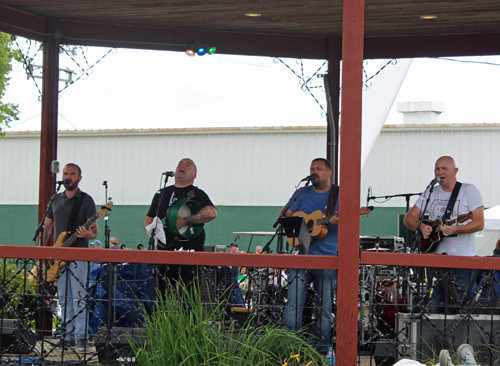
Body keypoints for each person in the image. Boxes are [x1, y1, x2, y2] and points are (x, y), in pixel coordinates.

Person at [403, 156, 484, 313]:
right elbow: (409, 218)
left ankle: (461, 338)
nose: (440, 172)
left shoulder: (469, 190)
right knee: (434, 307)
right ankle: (432, 338)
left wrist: (455, 229)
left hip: (463, 261)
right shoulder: (431, 191)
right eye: (437, 169)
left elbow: (479, 223)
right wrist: (422, 227)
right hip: (436, 260)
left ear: (455, 171)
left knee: (460, 309)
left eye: (444, 169)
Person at [281, 158, 338, 355]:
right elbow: (284, 215)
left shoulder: (338, 195)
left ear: (329, 173)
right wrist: (297, 221)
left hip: (327, 259)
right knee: (293, 304)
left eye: (319, 169)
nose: (314, 171)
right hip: (301, 257)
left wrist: (338, 220)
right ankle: (291, 350)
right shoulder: (302, 191)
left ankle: (319, 353)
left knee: (324, 309)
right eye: (312, 168)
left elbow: (349, 221)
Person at [39, 163, 98, 347]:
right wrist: (41, 251)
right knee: (64, 296)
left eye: (72, 174)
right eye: (65, 173)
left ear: (79, 178)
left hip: (79, 254)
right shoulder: (55, 199)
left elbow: (94, 231)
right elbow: (46, 227)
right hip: (58, 256)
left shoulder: (86, 200)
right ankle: (68, 335)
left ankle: (81, 336)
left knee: (79, 295)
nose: (68, 176)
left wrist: (89, 235)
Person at [144, 158, 217, 286]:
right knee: (162, 293)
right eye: (180, 164)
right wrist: (149, 228)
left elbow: (211, 213)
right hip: (164, 251)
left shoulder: (198, 194)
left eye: (187, 165)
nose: (182, 166)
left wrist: (186, 221)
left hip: (189, 251)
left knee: (189, 293)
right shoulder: (161, 193)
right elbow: (149, 218)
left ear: (194, 175)